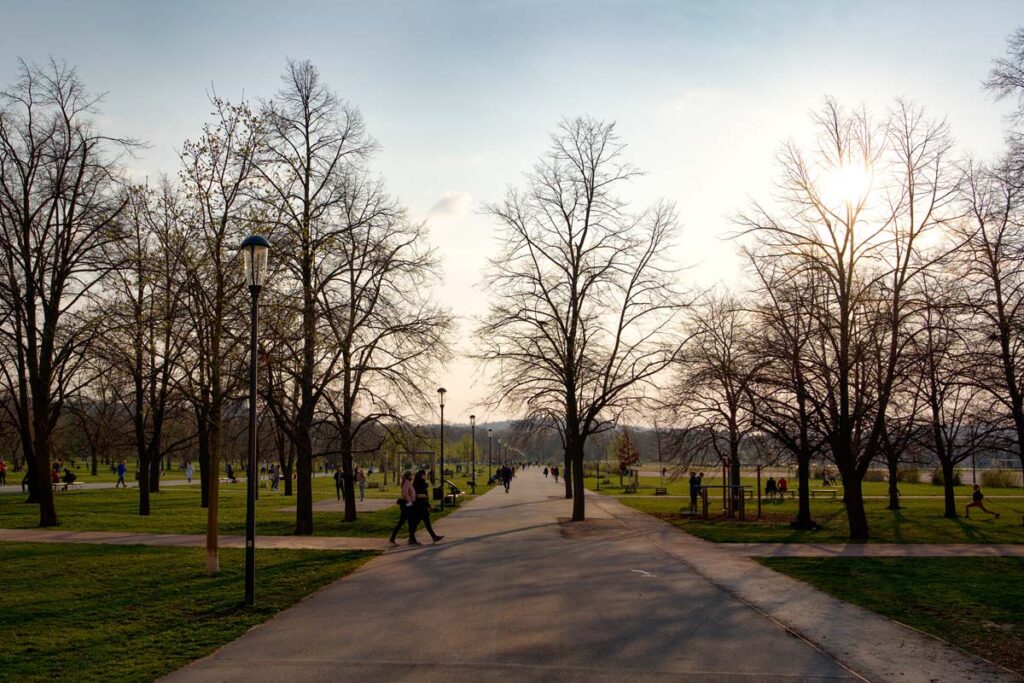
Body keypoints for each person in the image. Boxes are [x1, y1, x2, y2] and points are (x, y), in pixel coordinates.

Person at [409, 469, 443, 545]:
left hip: (420, 506)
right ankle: (412, 538)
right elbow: (420, 496)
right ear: (422, 475)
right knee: (421, 522)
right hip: (420, 506)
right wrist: (429, 505)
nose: (427, 475)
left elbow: (422, 496)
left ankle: (412, 538)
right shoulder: (419, 484)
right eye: (426, 474)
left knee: (419, 523)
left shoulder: (420, 483)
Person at [390, 470, 417, 545]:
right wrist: (409, 502)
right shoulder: (407, 483)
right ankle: (412, 539)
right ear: (409, 476)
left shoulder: (407, 482)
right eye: (412, 475)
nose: (413, 476)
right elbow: (405, 493)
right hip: (407, 505)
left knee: (408, 522)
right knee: (408, 522)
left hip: (408, 504)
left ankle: (412, 539)